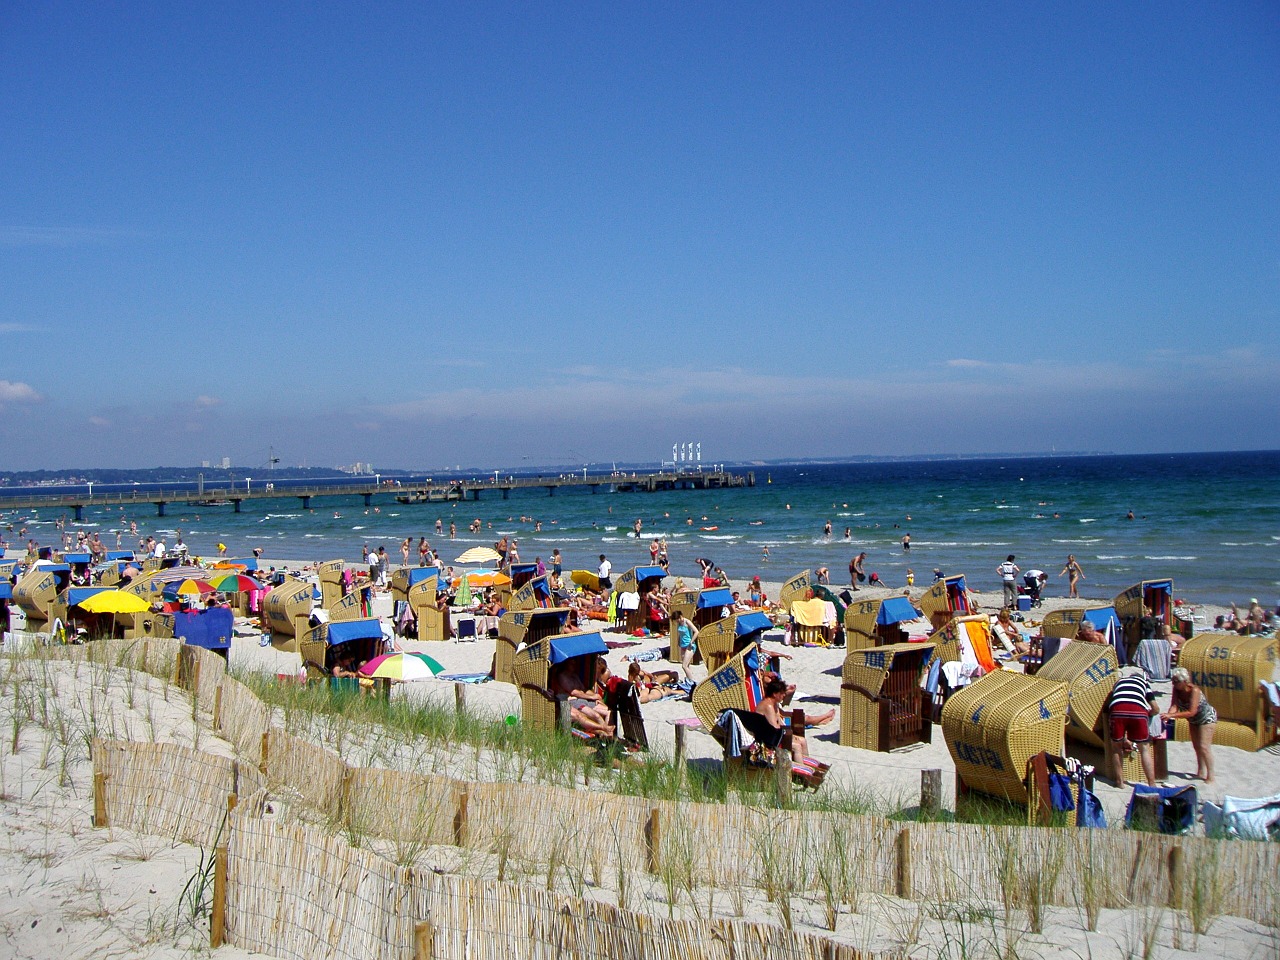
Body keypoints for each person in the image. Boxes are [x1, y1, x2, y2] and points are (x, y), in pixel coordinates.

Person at [1105, 666, 1159, 787]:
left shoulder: (1119, 682)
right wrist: (1149, 714)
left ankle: (1120, 782)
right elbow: (1155, 708)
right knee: (1144, 749)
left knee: (1116, 748)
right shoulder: (1144, 683)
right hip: (1138, 711)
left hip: (1117, 709)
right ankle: (1152, 783)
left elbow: (1113, 701)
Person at [1163, 667, 1217, 784]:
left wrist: (1172, 716)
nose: (1174, 683)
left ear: (1184, 681)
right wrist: (1168, 716)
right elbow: (1174, 706)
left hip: (1206, 718)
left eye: (1176, 681)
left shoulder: (1194, 690)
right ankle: (1201, 770)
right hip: (1193, 720)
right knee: (1196, 746)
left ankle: (1211, 775)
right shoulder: (1176, 690)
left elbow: (1192, 711)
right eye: (1173, 680)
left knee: (1204, 746)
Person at [756, 677, 812, 765]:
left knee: (802, 741)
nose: (784, 695)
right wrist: (788, 736)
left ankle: (808, 766)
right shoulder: (768, 706)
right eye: (782, 693)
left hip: (773, 734)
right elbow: (774, 727)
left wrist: (791, 734)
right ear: (775, 694)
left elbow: (780, 721)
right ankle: (801, 774)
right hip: (766, 739)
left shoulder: (774, 703)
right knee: (796, 746)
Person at [671, 608, 699, 682]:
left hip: (690, 646)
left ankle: (691, 682)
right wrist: (678, 641)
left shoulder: (687, 622)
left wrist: (691, 641)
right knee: (687, 665)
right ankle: (688, 679)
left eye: (677, 619)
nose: (677, 621)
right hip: (682, 645)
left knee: (684, 666)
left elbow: (696, 631)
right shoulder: (679, 624)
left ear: (680, 616)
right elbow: (680, 633)